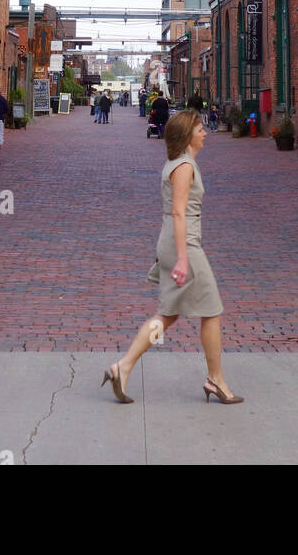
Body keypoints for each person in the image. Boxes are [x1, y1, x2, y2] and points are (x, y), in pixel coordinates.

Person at [102, 110, 242, 406]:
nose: (205, 132)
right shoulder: (184, 167)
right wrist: (182, 258)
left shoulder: (177, 163)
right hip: (185, 245)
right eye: (200, 128)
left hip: (175, 241)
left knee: (167, 314)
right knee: (212, 311)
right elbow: (179, 211)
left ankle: (123, 367)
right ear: (187, 135)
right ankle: (215, 379)